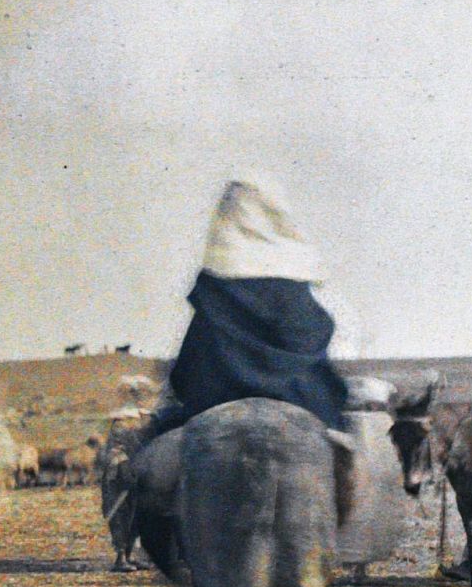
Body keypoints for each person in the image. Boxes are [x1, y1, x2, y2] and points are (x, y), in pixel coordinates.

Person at [150, 181, 350, 436]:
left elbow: (191, 364)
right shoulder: (293, 284)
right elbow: (313, 336)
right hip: (303, 402)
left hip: (214, 402)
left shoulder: (215, 284)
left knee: (144, 457)